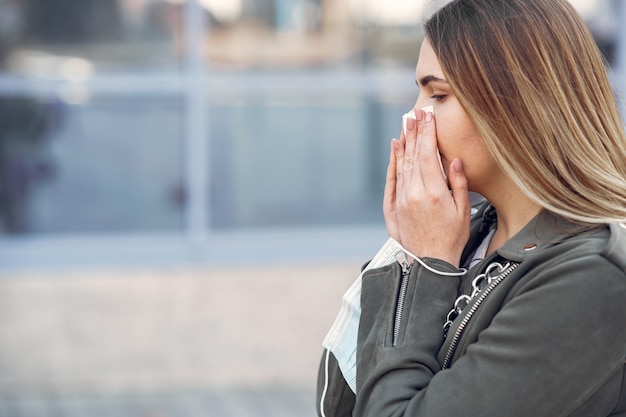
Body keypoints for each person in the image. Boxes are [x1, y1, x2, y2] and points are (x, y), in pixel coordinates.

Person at [316, 0, 626, 415]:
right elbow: (338, 400)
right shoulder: (464, 232)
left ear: (515, 105)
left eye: (438, 94)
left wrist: (424, 264)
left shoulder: (594, 277)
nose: (413, 116)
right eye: (419, 92)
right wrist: (406, 250)